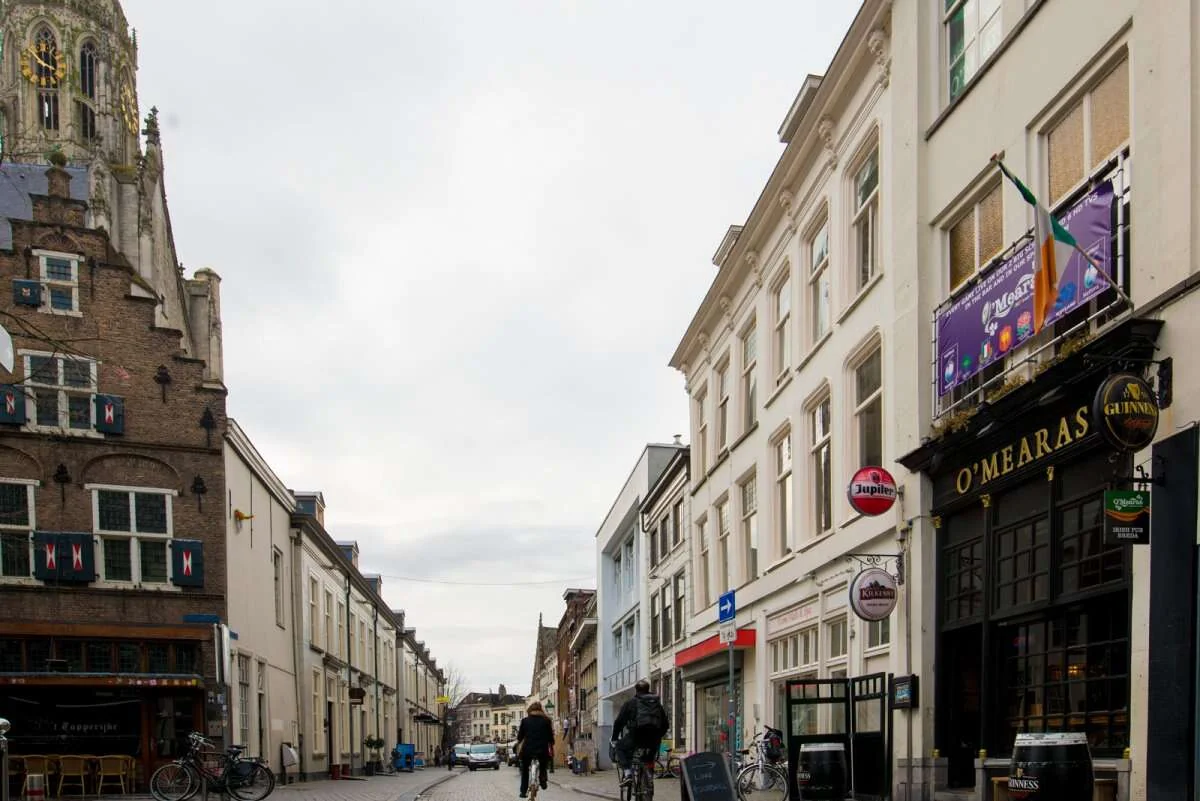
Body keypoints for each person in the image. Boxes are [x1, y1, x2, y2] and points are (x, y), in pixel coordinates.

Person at [611, 679, 669, 787]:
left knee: (620, 747)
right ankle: (649, 775)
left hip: (636, 737)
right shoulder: (656, 704)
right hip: (653, 739)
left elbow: (619, 722)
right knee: (649, 757)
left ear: (636, 690)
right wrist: (657, 736)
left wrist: (614, 738)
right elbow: (665, 725)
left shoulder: (630, 703)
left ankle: (628, 774)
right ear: (648, 689)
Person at [516, 701, 554, 798]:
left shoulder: (525, 721)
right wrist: (551, 742)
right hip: (542, 750)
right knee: (543, 765)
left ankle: (523, 791)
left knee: (525, 770)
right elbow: (550, 737)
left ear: (530, 710)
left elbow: (520, 737)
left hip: (527, 751)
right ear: (541, 710)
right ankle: (543, 780)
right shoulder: (546, 721)